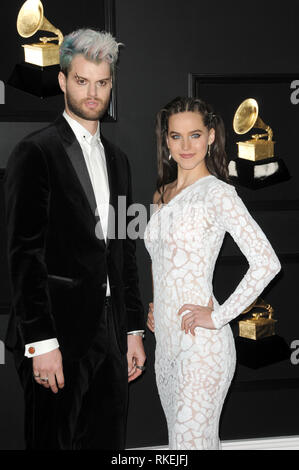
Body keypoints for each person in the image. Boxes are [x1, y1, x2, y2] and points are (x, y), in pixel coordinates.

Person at [4, 28, 146, 450]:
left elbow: (125, 250)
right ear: (63, 81)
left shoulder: (119, 161)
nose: (93, 92)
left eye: (102, 83)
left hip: (111, 329)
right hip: (57, 334)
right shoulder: (36, 151)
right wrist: (41, 343)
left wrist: (133, 329)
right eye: (82, 81)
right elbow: (23, 255)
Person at [144, 96, 281, 450]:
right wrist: (157, 304)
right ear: (166, 141)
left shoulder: (219, 195)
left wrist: (219, 316)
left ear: (211, 137)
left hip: (202, 348)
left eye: (194, 135)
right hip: (167, 346)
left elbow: (267, 262)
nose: (185, 146)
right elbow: (161, 260)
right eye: (175, 136)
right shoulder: (160, 195)